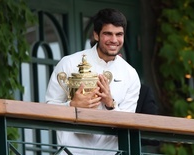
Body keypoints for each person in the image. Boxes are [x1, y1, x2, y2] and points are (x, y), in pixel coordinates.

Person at [45, 8, 141, 155]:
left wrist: (110, 104)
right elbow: (48, 110)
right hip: (71, 152)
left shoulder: (131, 74)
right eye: (108, 34)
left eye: (119, 34)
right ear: (96, 35)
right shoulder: (69, 63)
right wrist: (72, 106)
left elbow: (128, 123)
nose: (114, 40)